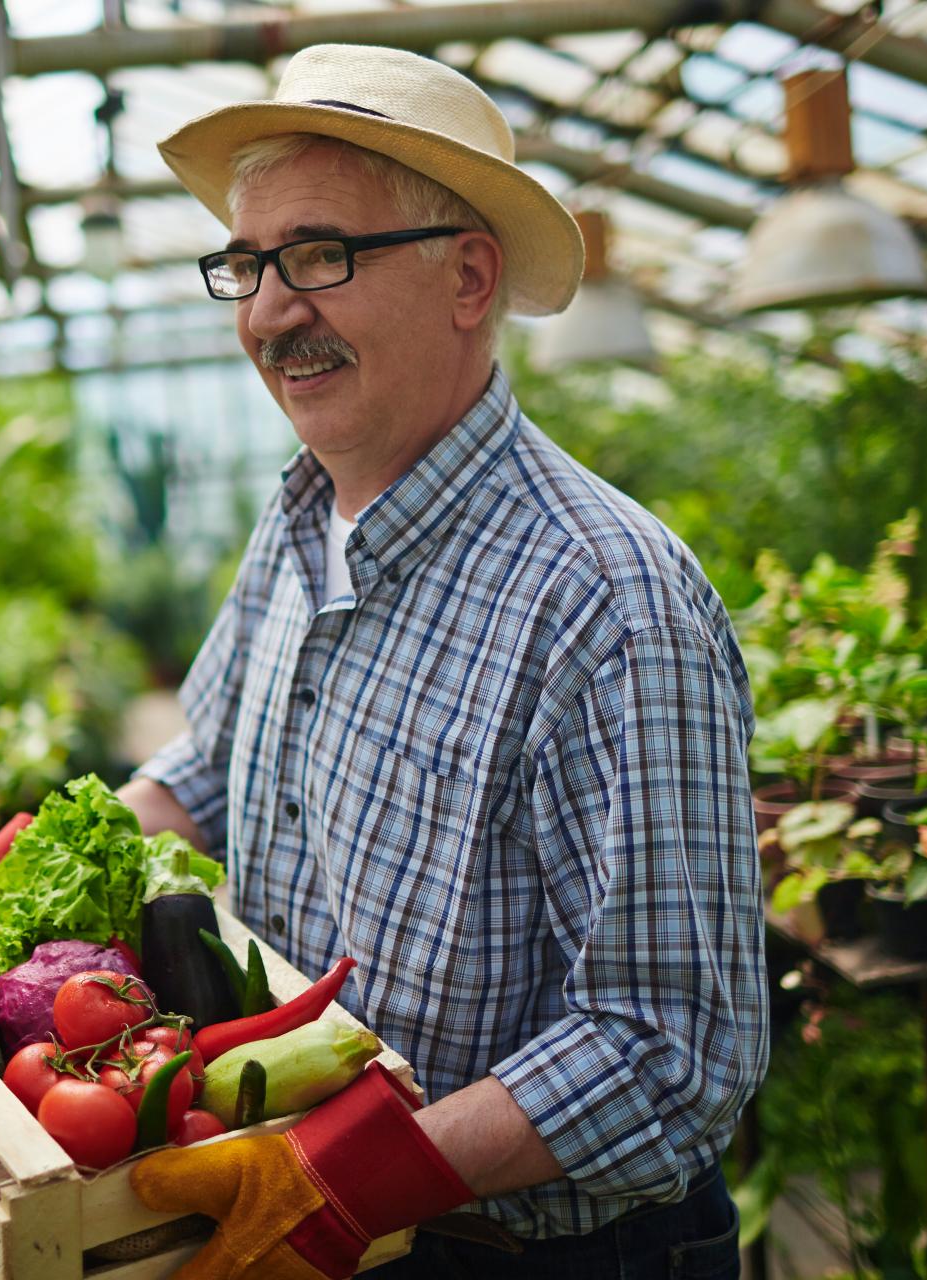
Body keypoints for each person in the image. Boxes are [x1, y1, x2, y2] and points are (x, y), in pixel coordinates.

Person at [118, 43, 767, 1280]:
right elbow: (206, 763)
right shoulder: (306, 513)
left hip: (528, 1252)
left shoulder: (607, 601)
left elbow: (667, 1045)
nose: (267, 312)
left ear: (470, 277)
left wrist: (358, 1174)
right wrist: (25, 894)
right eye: (247, 265)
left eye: (320, 255)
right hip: (332, 1213)